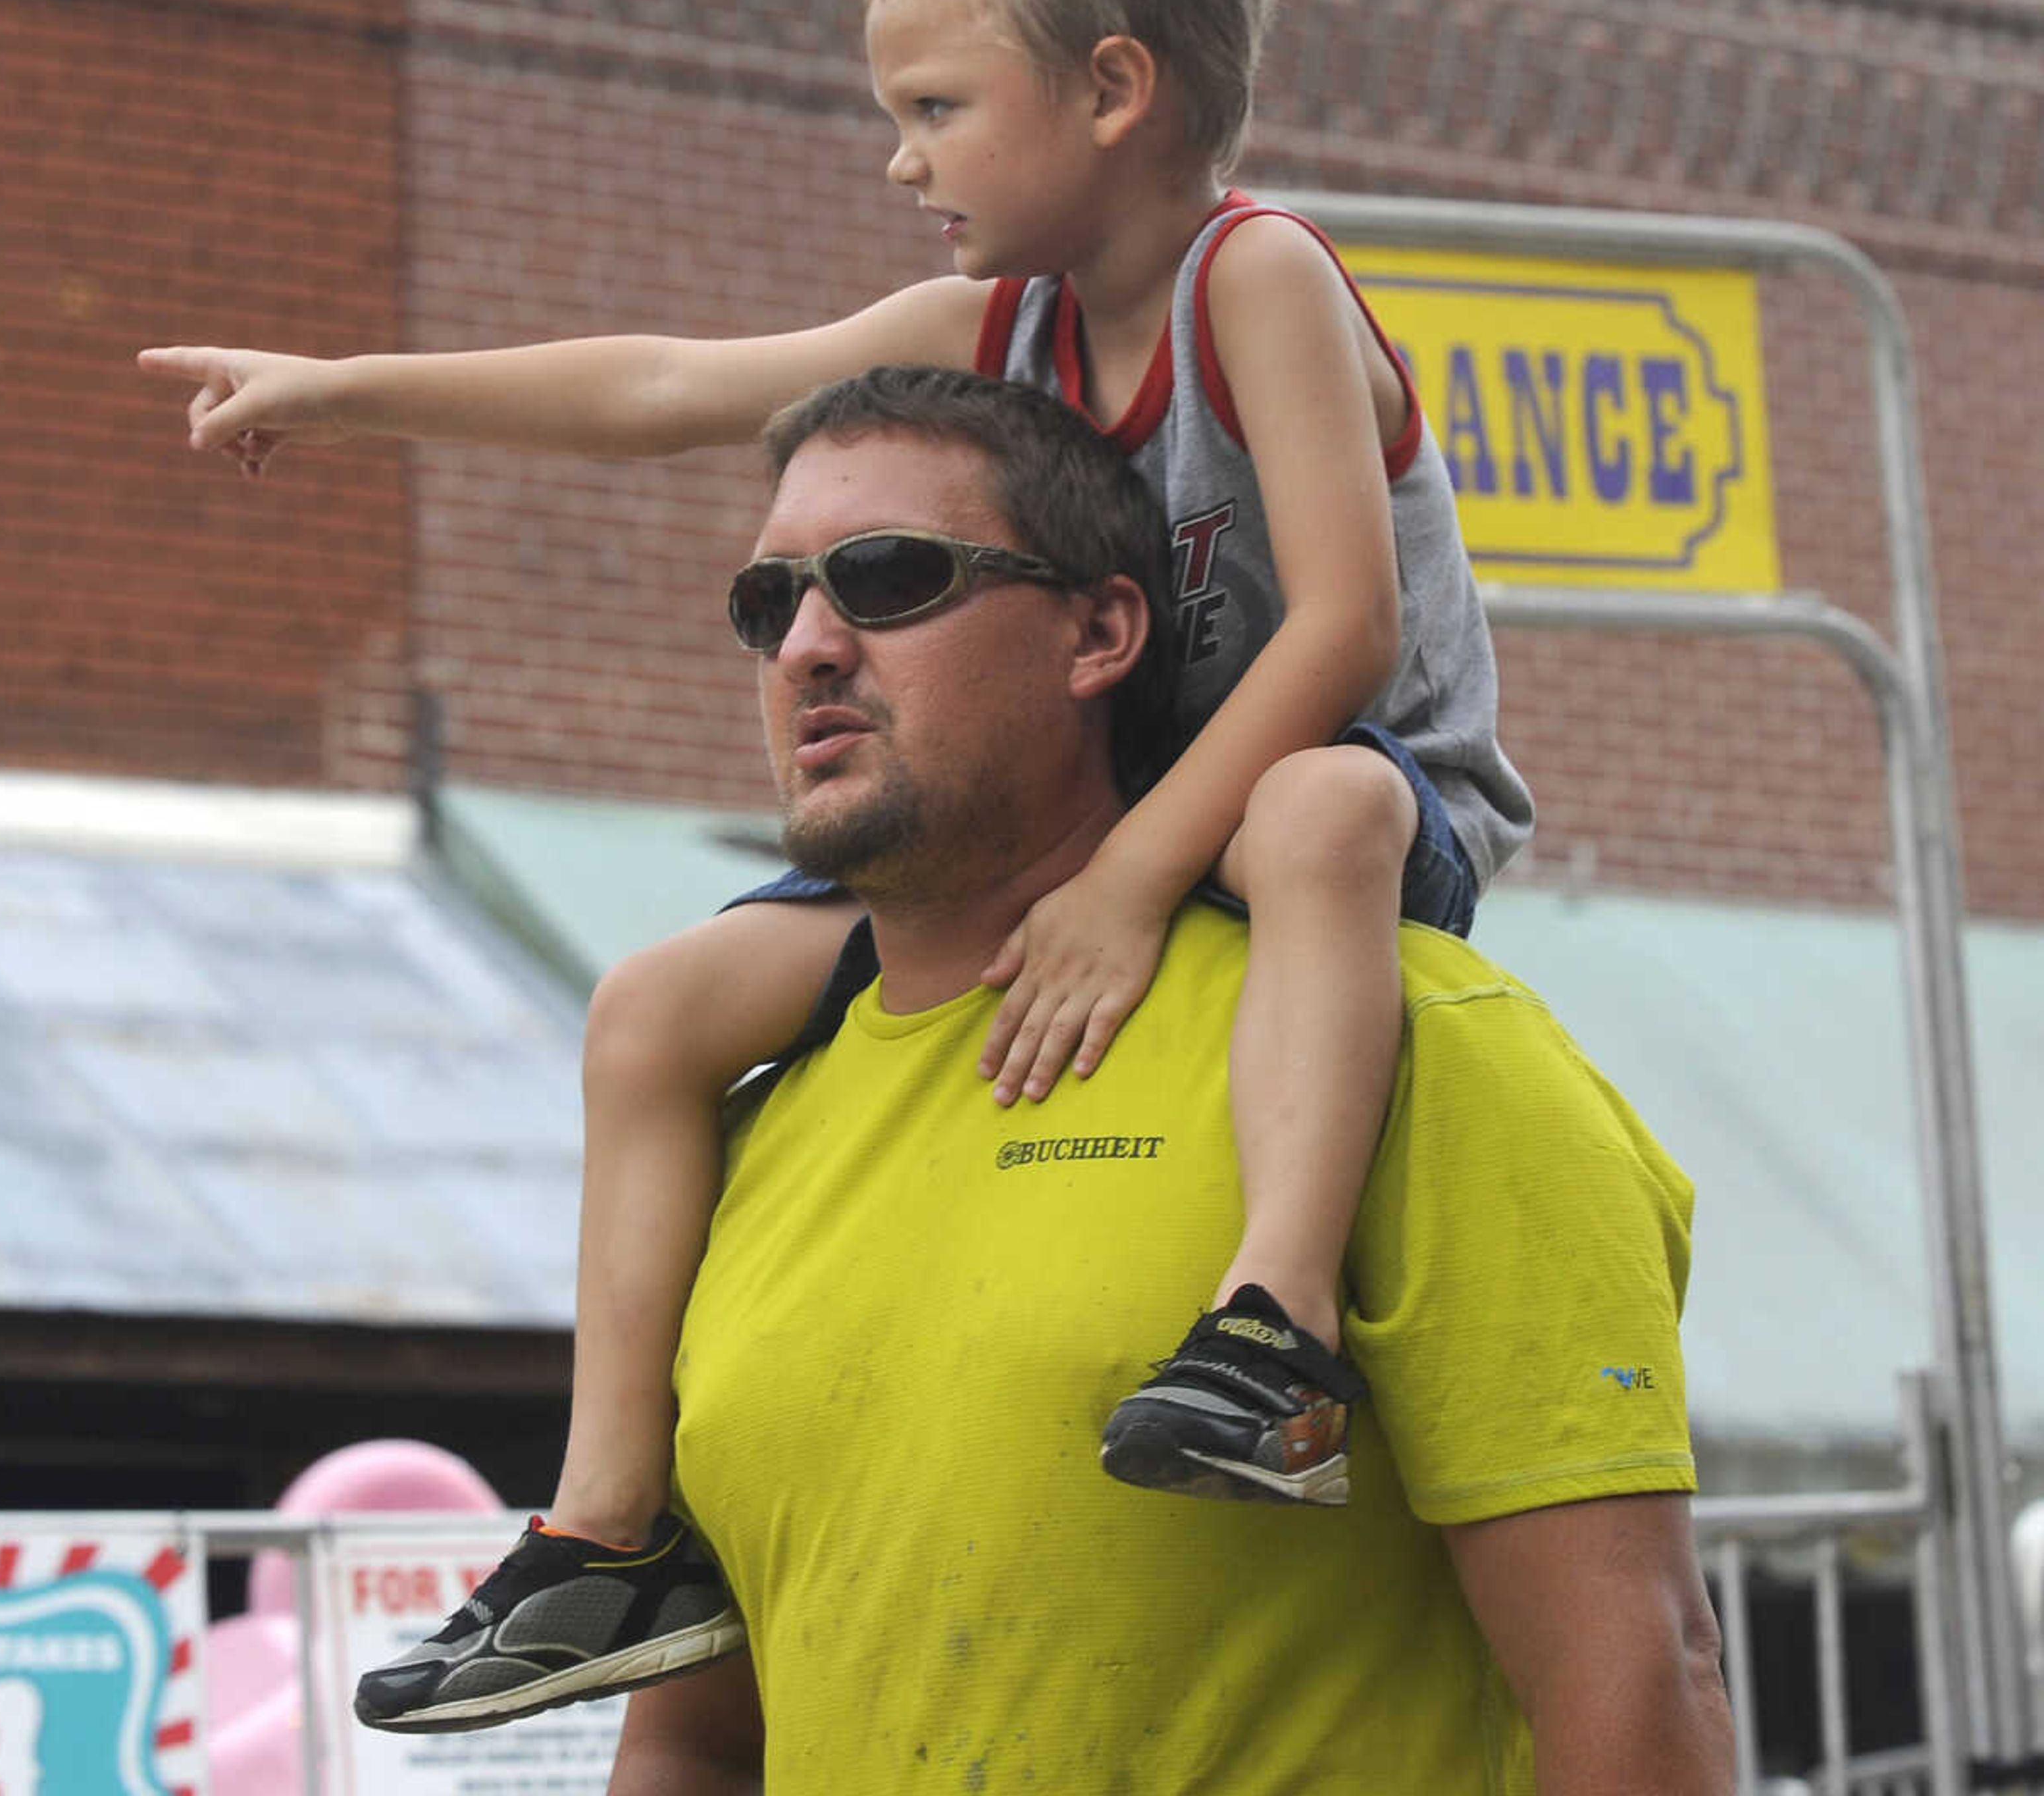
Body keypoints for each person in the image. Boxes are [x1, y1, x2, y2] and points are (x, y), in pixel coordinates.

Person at [143, 0, 1533, 1732]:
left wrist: (1132, 883)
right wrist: (346, 389)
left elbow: (1345, 640)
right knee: (655, 1005)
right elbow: (669, 383)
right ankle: (616, 1530)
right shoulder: (1002, 319)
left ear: (1115, 85)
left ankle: (1274, 1341)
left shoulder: (1258, 280)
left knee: (1318, 806)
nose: (901, 161)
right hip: (1111, 819)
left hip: (1365, 798)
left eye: (938, 109)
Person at [614, 364, 1732, 1793]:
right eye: (769, 603)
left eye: (887, 578)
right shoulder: (747, 1131)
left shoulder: (1420, 1041)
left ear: (1101, 632)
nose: (809, 648)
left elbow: (1631, 1674)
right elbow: (695, 1747)